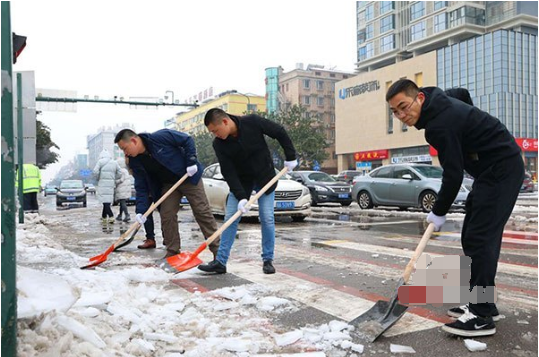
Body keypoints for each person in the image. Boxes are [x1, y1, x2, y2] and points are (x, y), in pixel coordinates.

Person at [386, 79, 524, 337]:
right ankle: (483, 301)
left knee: (479, 238)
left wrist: (438, 212)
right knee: (472, 236)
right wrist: (472, 132)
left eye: (404, 107)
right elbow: (462, 93)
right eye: (395, 111)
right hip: (492, 171)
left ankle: (481, 315)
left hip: (501, 170)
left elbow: (453, 176)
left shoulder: (440, 125)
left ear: (419, 99)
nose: (402, 116)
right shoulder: (442, 99)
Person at [198, 108, 297, 275]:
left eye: (215, 130)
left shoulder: (252, 122)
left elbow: (279, 132)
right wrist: (241, 197)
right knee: (231, 218)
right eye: (211, 132)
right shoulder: (219, 144)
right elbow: (228, 171)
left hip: (265, 177)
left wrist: (290, 156)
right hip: (242, 182)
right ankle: (220, 262)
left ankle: (268, 260)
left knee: (266, 218)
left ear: (225, 121)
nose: (215, 134)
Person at [114, 128, 220, 259]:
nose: (125, 153)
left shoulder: (160, 137)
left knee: (201, 212)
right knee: (167, 214)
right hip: (168, 185)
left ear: (134, 141)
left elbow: (187, 140)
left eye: (125, 148)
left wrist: (191, 161)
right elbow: (141, 187)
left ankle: (218, 251)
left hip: (188, 176)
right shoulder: (136, 161)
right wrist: (141, 211)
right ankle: (173, 252)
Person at [93, 150, 122, 224]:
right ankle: (104, 217)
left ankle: (111, 216)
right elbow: (120, 173)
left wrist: (98, 178)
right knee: (106, 202)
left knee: (105, 202)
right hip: (111, 184)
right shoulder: (114, 162)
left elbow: (95, 171)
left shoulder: (100, 162)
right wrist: (114, 178)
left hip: (102, 184)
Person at [114, 158, 132, 222]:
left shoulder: (121, 171)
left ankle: (127, 215)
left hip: (122, 188)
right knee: (122, 202)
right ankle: (120, 215)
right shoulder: (125, 170)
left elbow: (121, 180)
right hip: (125, 188)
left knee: (122, 202)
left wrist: (115, 182)